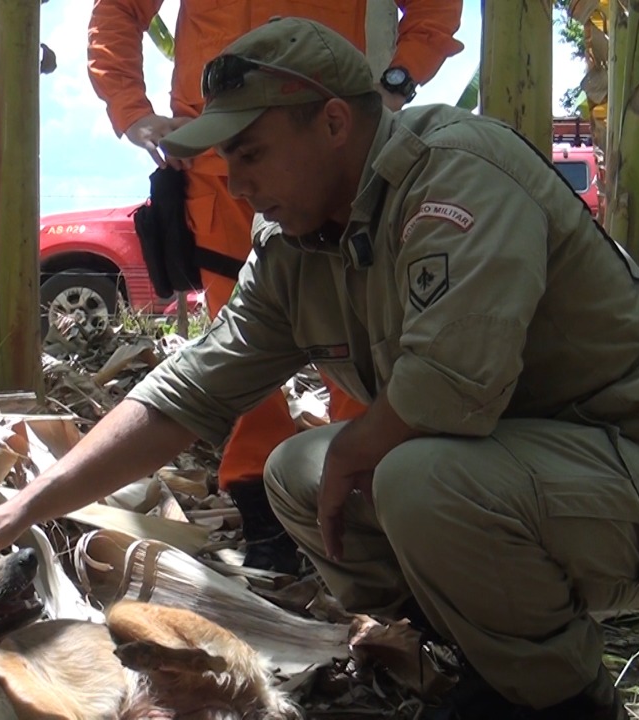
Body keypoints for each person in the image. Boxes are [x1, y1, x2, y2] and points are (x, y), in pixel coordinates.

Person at [0, 17, 639, 719]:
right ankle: (471, 660)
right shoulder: (295, 246)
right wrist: (21, 509)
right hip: (525, 478)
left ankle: (562, 702)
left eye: (251, 153)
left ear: (333, 123)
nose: (235, 184)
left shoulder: (457, 177)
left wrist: (358, 453)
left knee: (408, 473)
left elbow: (448, 393)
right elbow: (188, 393)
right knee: (295, 470)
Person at [86, 0, 463, 573]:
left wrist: (397, 79)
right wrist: (131, 110)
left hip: (331, 161)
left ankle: (365, 507)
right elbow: (117, 9)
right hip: (215, 172)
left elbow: (436, 8)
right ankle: (263, 514)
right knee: (235, 359)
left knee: (357, 337)